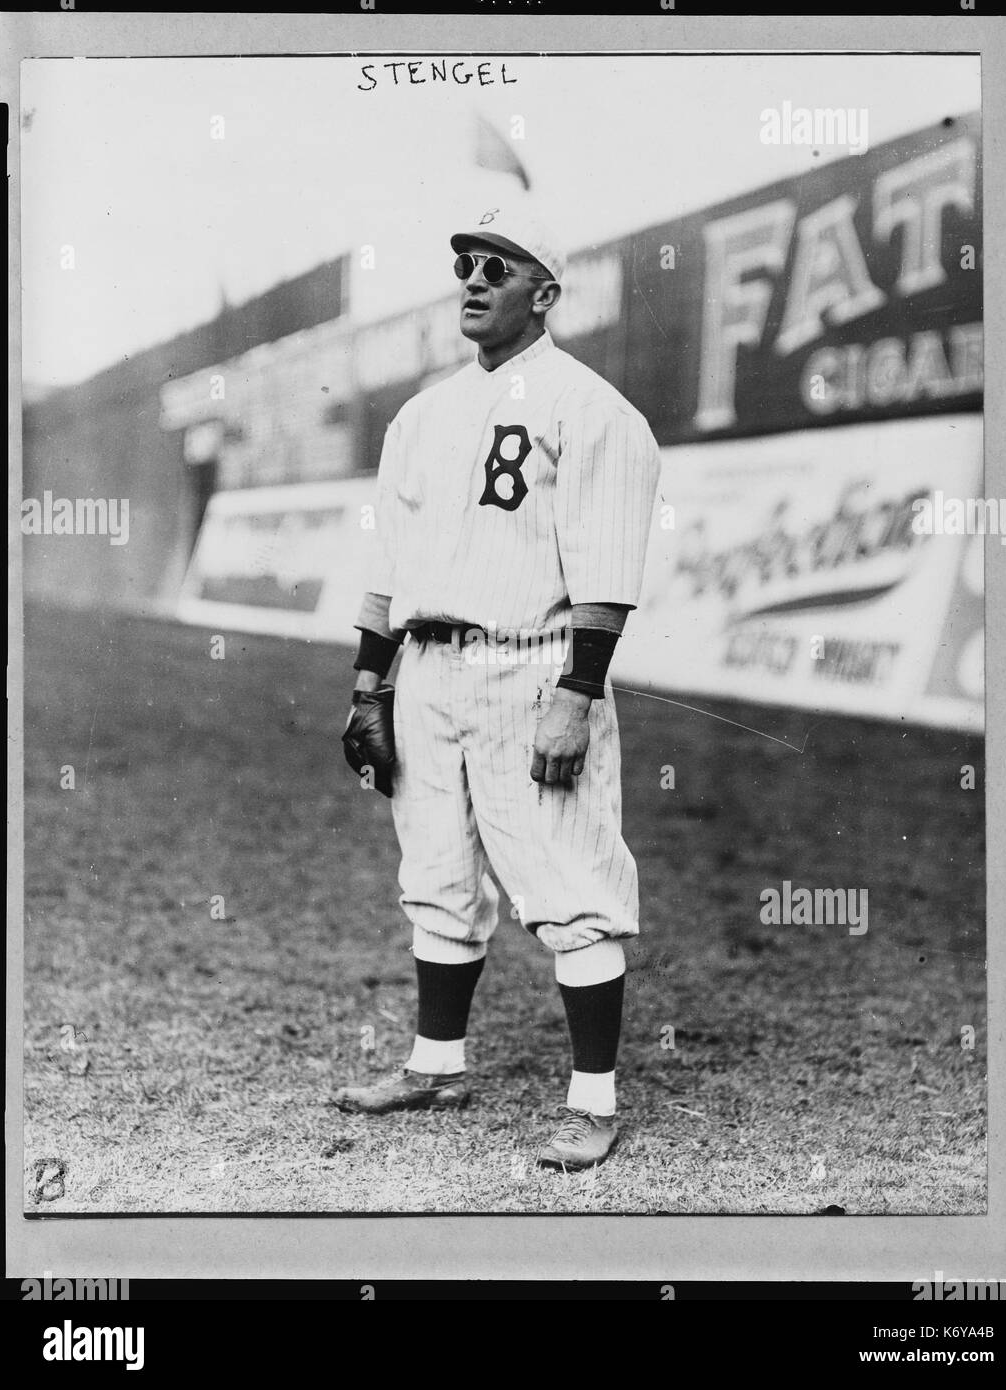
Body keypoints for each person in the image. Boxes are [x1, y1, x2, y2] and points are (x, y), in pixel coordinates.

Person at [334, 203, 661, 1170]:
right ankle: (436, 1064)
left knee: (568, 880)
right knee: (434, 873)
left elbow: (607, 571)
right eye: (466, 266)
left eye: (497, 268)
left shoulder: (591, 407)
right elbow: (388, 562)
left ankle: (593, 1101)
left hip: (532, 663)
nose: (473, 281)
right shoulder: (422, 413)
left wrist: (578, 693)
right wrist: (367, 685)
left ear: (544, 294)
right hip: (427, 669)